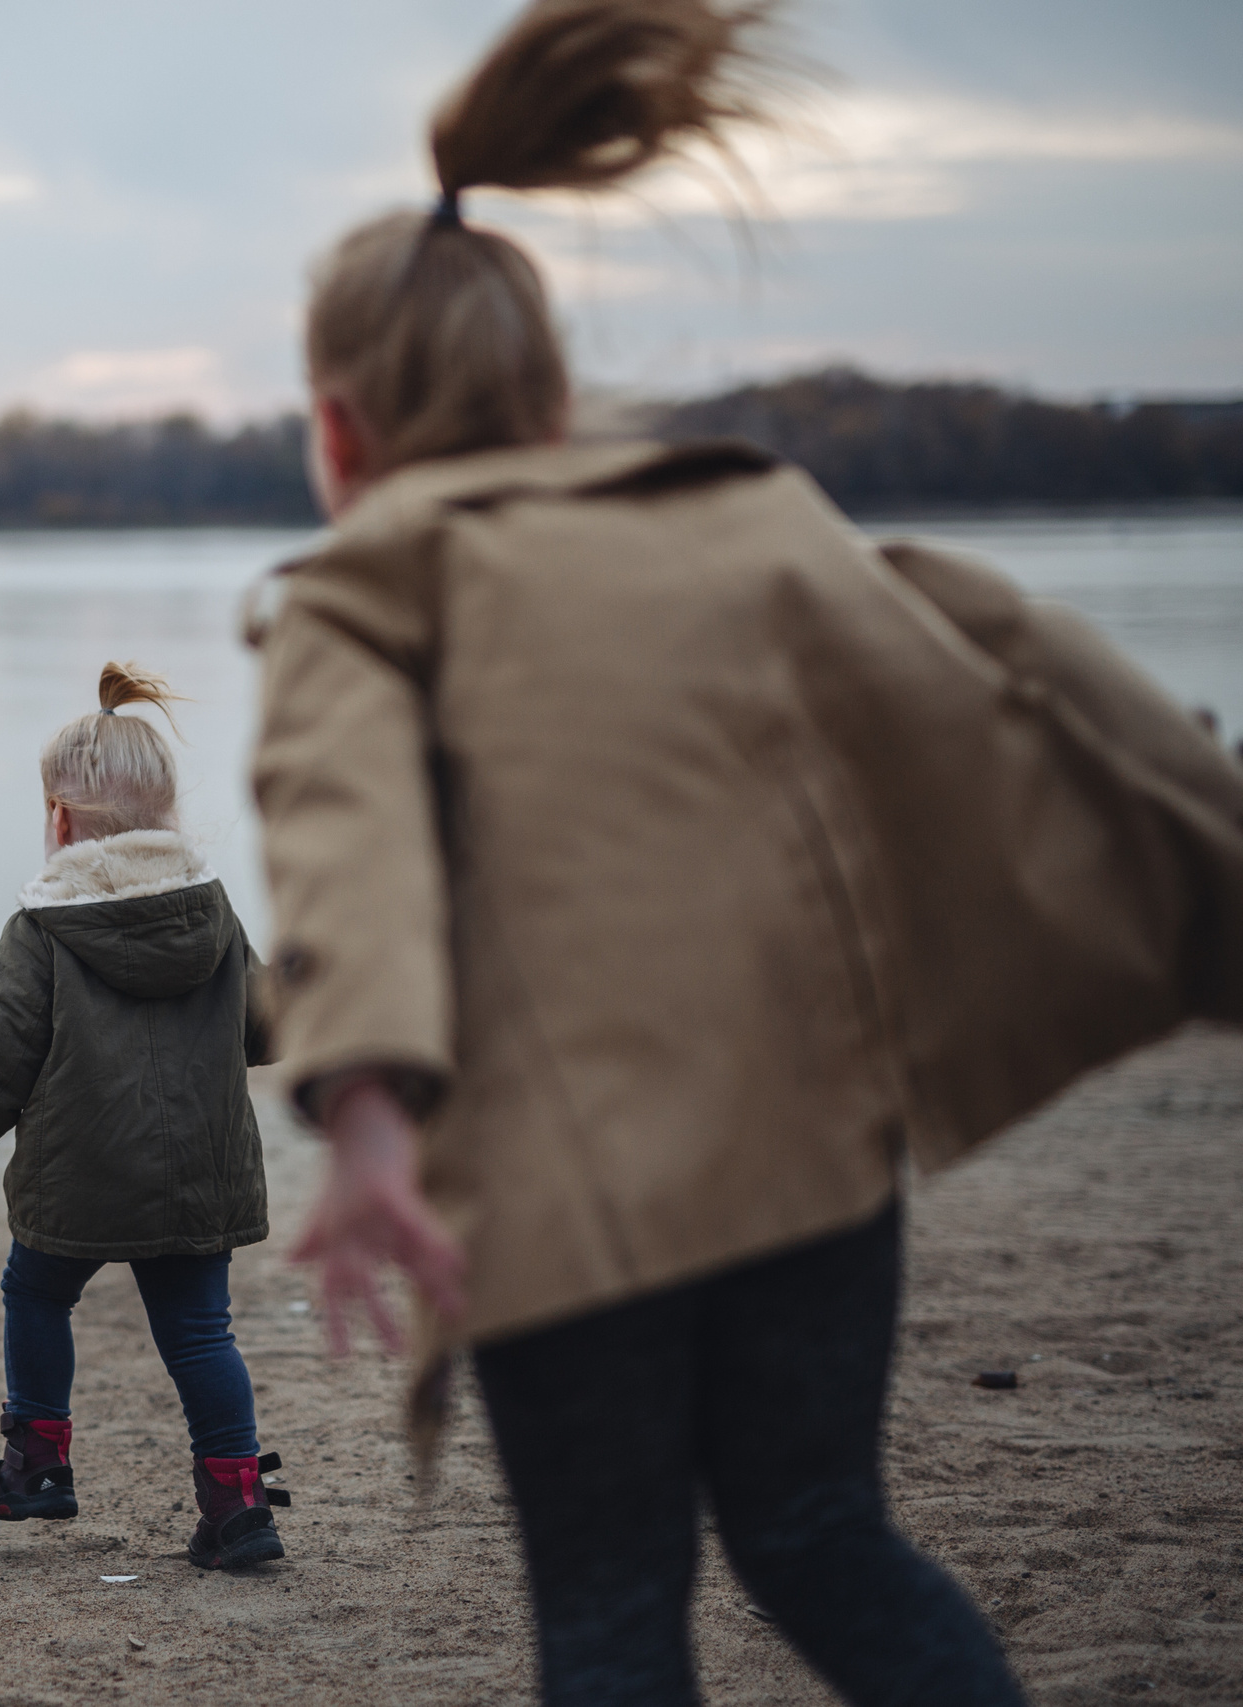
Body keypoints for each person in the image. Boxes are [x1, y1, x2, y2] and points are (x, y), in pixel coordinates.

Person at [247, 1, 1243, 1702]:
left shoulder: (366, 584)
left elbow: (353, 837)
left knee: (615, 1606)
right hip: (809, 1168)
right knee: (824, 1535)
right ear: (555, 395)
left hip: (565, 1209)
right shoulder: (744, 518)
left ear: (338, 437)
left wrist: (366, 1112)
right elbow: (990, 684)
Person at [0, 663, 290, 1572]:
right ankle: (237, 1501)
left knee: (37, 1291)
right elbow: (263, 1030)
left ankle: (38, 1462)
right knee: (200, 1333)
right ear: (167, 815)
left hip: (82, 1178)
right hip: (199, 1176)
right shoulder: (212, 912)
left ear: (59, 821)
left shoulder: (44, 928)